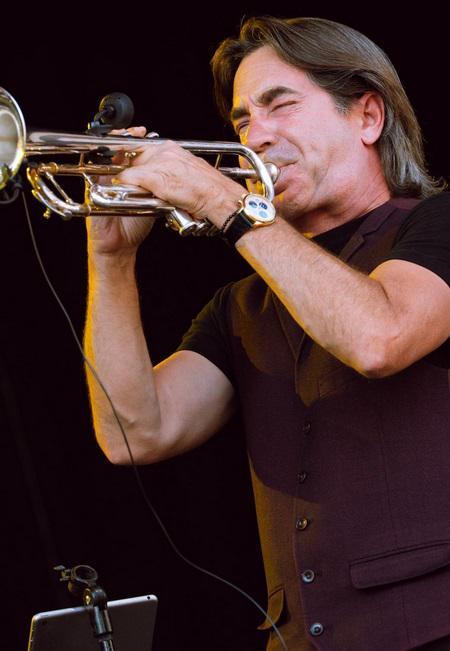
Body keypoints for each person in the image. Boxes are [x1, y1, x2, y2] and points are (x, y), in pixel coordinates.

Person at [84, 16, 450, 651]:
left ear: (368, 117)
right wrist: (110, 258)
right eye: (243, 121)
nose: (256, 136)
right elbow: (134, 434)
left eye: (281, 106)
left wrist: (221, 201)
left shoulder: (437, 224)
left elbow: (380, 338)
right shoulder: (243, 304)